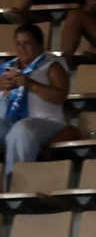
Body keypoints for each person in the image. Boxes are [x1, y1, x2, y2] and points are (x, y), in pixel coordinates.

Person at [0, 24, 74, 185]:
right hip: (8, 122)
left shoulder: (52, 65)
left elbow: (61, 96)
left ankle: (15, 186)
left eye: (27, 43)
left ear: (40, 44)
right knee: (15, 128)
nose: (22, 48)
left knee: (21, 129)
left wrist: (31, 84)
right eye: (18, 44)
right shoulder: (7, 68)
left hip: (47, 122)